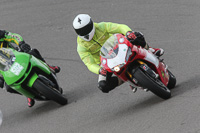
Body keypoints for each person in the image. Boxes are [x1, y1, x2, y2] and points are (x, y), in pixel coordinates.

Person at [73, 14, 164, 93]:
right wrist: (99, 70)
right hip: (106, 63)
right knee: (103, 86)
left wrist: (128, 32)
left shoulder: (101, 26)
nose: (84, 32)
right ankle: (127, 79)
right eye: (80, 31)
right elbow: (89, 64)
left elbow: (120, 27)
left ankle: (150, 50)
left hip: (119, 47)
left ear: (91, 23)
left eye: (86, 28)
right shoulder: (81, 47)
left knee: (136, 35)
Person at [0, 30, 61, 107]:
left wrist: (21, 43)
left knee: (32, 52)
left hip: (16, 55)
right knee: (8, 87)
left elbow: (13, 36)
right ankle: (27, 94)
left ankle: (47, 66)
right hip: (5, 70)